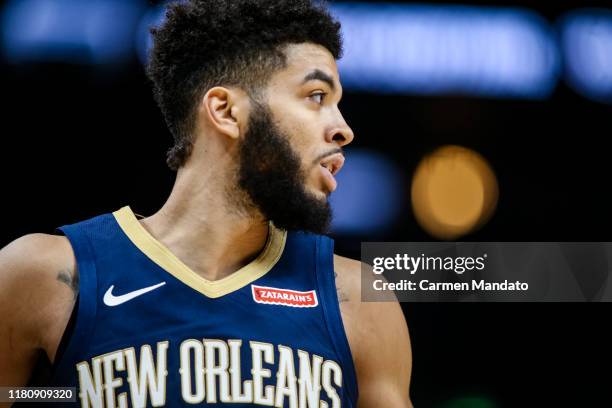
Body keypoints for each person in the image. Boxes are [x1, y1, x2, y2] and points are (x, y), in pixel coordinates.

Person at [0, 0, 412, 406]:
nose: (344, 129)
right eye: (317, 95)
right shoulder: (41, 275)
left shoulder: (357, 299)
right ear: (225, 111)